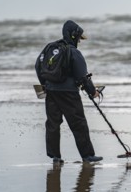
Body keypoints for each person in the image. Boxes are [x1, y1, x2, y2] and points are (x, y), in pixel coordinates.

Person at [35, 20, 103, 163]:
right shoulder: (74, 52)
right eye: (79, 37)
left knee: (53, 123)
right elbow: (82, 77)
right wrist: (93, 92)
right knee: (78, 123)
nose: (79, 40)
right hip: (69, 94)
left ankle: (55, 157)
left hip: (51, 91)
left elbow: (38, 66)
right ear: (73, 36)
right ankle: (87, 156)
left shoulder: (49, 48)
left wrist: (45, 85)